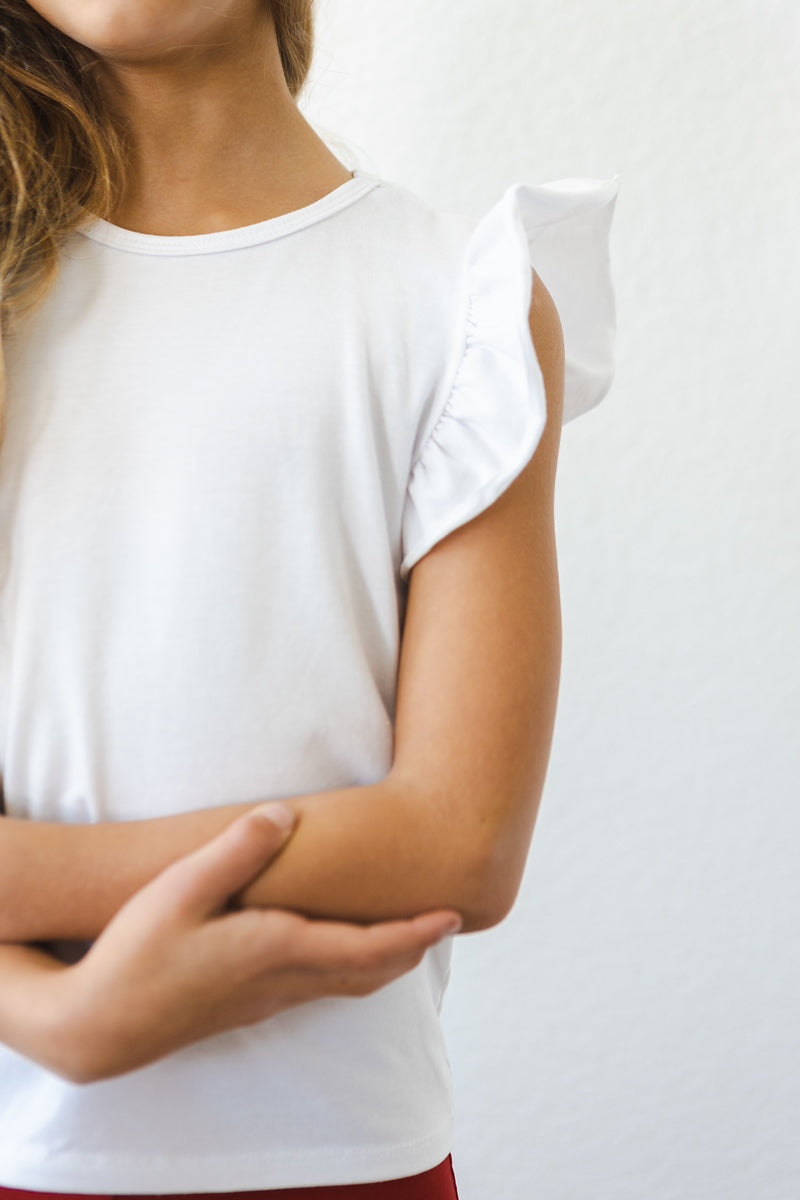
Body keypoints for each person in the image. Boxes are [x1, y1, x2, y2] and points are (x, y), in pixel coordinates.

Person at [0, 2, 619, 1198]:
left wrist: (22, 877)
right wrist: (53, 1015)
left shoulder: (462, 304)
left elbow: (461, 842)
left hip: (343, 1162)